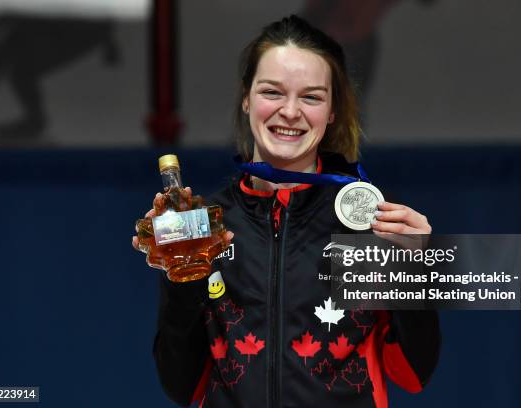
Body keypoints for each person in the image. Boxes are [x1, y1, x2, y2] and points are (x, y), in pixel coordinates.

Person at [132, 15, 439, 408]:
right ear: (247, 98)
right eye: (272, 92)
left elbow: (412, 374)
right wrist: (182, 281)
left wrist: (415, 270)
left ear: (331, 111)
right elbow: (181, 387)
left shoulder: (370, 222)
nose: (290, 111)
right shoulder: (207, 225)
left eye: (311, 97)